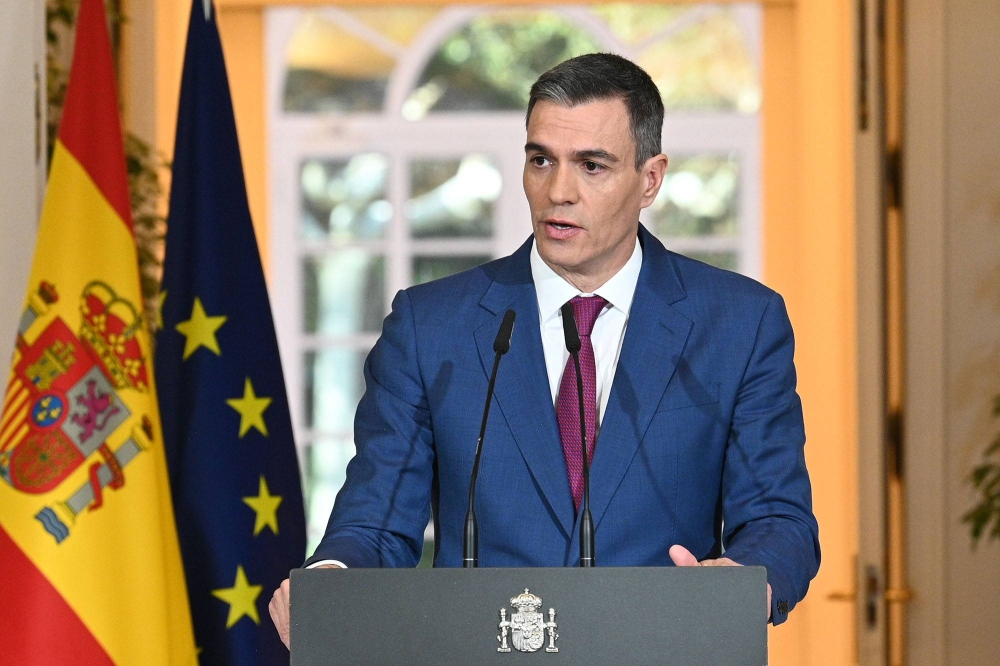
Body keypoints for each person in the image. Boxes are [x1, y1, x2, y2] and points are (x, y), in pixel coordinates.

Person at [269, 53, 820, 647]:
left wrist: (739, 583)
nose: (559, 191)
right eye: (541, 160)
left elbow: (779, 518)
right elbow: (375, 521)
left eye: (592, 165)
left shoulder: (740, 324)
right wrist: (329, 581)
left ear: (651, 179)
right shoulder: (431, 328)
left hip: (662, 648)